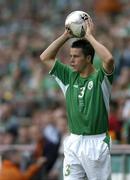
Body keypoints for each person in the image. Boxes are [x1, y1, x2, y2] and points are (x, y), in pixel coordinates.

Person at [40, 17, 115, 180]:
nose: (71, 60)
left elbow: (108, 59)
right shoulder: (68, 76)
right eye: (70, 55)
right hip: (73, 141)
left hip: (96, 142)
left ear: (88, 58)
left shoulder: (101, 79)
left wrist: (88, 36)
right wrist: (66, 36)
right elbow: (45, 57)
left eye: (76, 56)